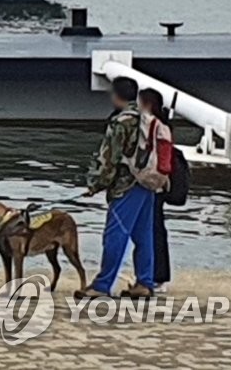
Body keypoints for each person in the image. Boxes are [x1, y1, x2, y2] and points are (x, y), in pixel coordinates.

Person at [75, 76, 155, 300]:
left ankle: (102, 285)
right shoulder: (145, 117)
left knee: (115, 235)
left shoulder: (121, 122)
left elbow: (110, 158)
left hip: (125, 185)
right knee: (144, 235)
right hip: (147, 182)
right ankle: (145, 282)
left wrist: (96, 184)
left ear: (116, 96)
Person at [139, 87, 173, 292]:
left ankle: (154, 276)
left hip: (150, 183)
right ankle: (157, 275)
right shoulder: (164, 126)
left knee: (152, 231)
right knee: (156, 229)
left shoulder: (152, 126)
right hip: (160, 183)